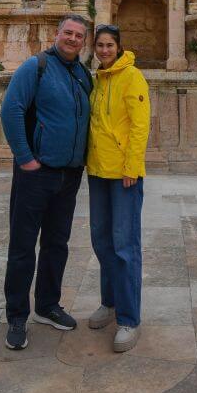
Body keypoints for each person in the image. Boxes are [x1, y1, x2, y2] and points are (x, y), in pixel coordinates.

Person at [0, 14, 93, 351]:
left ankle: (47, 305)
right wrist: (26, 158)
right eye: (67, 33)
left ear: (85, 41)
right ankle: (16, 316)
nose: (72, 39)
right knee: (23, 247)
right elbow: (11, 110)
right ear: (57, 34)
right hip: (36, 173)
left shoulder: (83, 74)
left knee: (57, 243)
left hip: (69, 173)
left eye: (78, 35)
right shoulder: (35, 66)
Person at [85, 24, 150, 353]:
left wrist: (131, 167)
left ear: (119, 47)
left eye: (109, 45)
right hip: (97, 170)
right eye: (100, 45)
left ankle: (128, 319)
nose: (105, 50)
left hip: (123, 175)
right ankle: (109, 303)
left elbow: (140, 124)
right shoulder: (98, 79)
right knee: (101, 239)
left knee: (125, 245)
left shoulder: (132, 76)